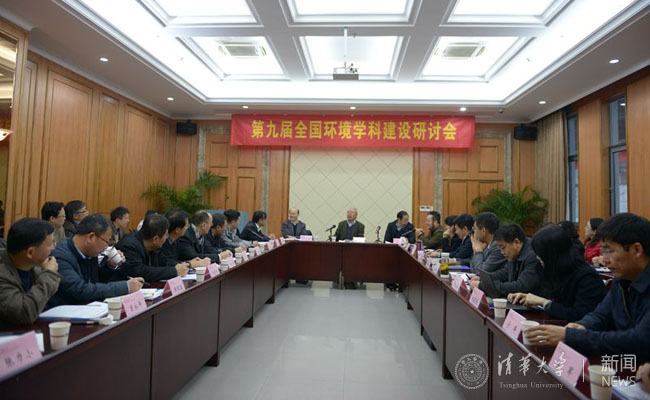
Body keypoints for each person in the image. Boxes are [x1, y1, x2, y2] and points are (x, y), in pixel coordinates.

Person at [525, 213, 650, 363]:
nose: (604, 259)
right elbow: (600, 315)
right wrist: (582, 325)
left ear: (637, 250)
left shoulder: (590, 276)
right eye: (602, 251)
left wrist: (571, 336)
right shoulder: (621, 280)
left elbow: (639, 339)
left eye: (609, 251)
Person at [508, 225, 606, 321]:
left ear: (553, 254)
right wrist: (528, 298)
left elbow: (579, 315)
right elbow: (549, 297)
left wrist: (544, 303)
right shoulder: (553, 269)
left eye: (540, 254)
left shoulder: (587, 277)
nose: (537, 258)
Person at [48, 214, 143, 307]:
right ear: (91, 237)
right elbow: (80, 289)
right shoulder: (60, 256)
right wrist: (125, 287)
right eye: (107, 242)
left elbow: (97, 282)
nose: (107, 247)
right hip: (65, 313)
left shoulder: (90, 251)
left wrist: (110, 265)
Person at [0, 219, 61, 325]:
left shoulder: (33, 265)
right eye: (50, 244)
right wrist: (49, 275)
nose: (53, 248)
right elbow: (24, 314)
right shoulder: (2, 274)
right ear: (30, 252)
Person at [470, 223, 542, 298]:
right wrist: (483, 279)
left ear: (516, 242)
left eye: (503, 248)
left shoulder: (533, 256)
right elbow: (504, 273)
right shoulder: (515, 253)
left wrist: (483, 286)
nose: (502, 252)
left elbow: (520, 286)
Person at [115, 214, 189, 282]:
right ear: (155, 239)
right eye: (166, 235)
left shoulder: (152, 245)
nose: (166, 238)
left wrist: (177, 265)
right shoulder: (128, 246)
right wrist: (174, 271)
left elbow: (163, 260)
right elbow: (140, 272)